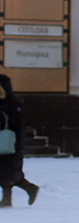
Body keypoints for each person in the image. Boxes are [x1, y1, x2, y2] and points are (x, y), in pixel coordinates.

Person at [0, 74, 39, 206]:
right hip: (3, 142)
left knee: (8, 171)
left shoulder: (14, 103)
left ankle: (26, 190)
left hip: (11, 143)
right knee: (6, 172)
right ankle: (24, 191)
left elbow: (17, 123)